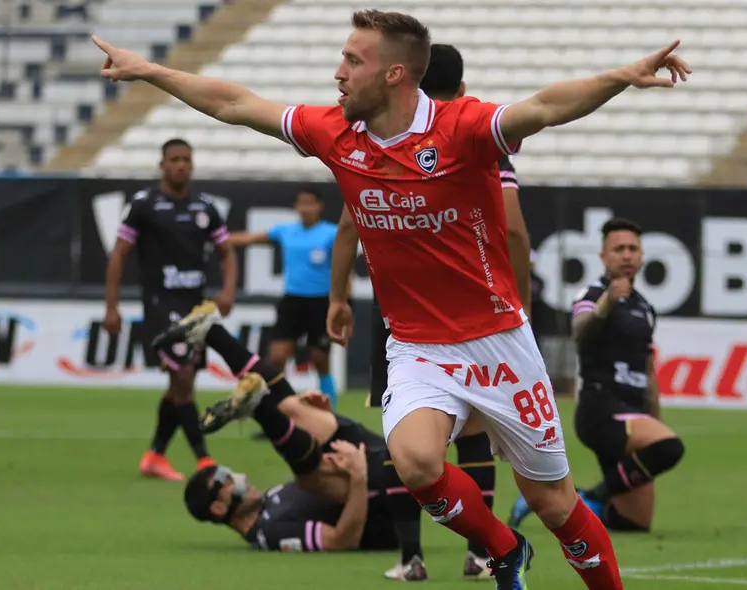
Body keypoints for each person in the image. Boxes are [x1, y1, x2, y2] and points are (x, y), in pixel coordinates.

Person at [93, 10, 690, 589]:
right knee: (415, 462)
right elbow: (235, 103)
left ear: (394, 74)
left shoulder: (461, 128)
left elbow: (544, 107)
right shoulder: (336, 133)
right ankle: (505, 549)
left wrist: (621, 76)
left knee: (553, 502)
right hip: (417, 346)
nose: (338, 73)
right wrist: (149, 70)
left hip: (498, 341)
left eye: (352, 61)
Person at [335, 42, 527, 582]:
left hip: (402, 316)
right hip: (475, 314)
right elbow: (513, 231)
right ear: (462, 90)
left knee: (403, 435)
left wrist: (337, 297)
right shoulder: (479, 142)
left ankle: (411, 557)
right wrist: (519, 304)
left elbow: (349, 224)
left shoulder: (379, 137)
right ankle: (482, 553)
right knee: (474, 432)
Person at [512, 218, 685, 533]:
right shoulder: (592, 293)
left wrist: (656, 420)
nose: (627, 255)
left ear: (642, 256)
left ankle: (554, 499)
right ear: (604, 256)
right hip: (602, 410)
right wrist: (606, 305)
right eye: (619, 249)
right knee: (670, 448)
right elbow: (579, 331)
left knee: (632, 523)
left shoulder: (644, 307)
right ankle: (593, 496)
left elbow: (648, 369)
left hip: (634, 414)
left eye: (633, 249)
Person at [103, 139, 236, 480]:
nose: (181, 165)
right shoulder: (144, 205)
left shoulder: (205, 207)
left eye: (186, 159)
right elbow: (119, 255)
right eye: (174, 159)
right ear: (161, 165)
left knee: (179, 386)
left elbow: (227, 252)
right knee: (184, 378)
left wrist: (228, 291)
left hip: (196, 307)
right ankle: (204, 461)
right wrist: (112, 307)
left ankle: (155, 456)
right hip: (161, 303)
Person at [184, 376, 400, 553]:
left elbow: (322, 479)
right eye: (228, 480)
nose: (241, 477)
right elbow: (341, 541)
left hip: (375, 468)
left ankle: (259, 402)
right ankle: (258, 407)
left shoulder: (270, 498)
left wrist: (324, 419)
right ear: (219, 508)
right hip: (386, 506)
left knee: (295, 408)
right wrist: (358, 477)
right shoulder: (271, 531)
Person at [228, 188, 340, 406]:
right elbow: (252, 238)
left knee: (320, 360)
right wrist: (221, 238)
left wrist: (344, 303)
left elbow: (344, 271)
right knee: (277, 358)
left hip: (320, 302)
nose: (306, 208)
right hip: (292, 301)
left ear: (320, 206)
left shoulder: (331, 233)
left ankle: (331, 412)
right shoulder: (286, 231)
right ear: (296, 207)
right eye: (302, 203)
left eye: (311, 203)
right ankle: (276, 409)